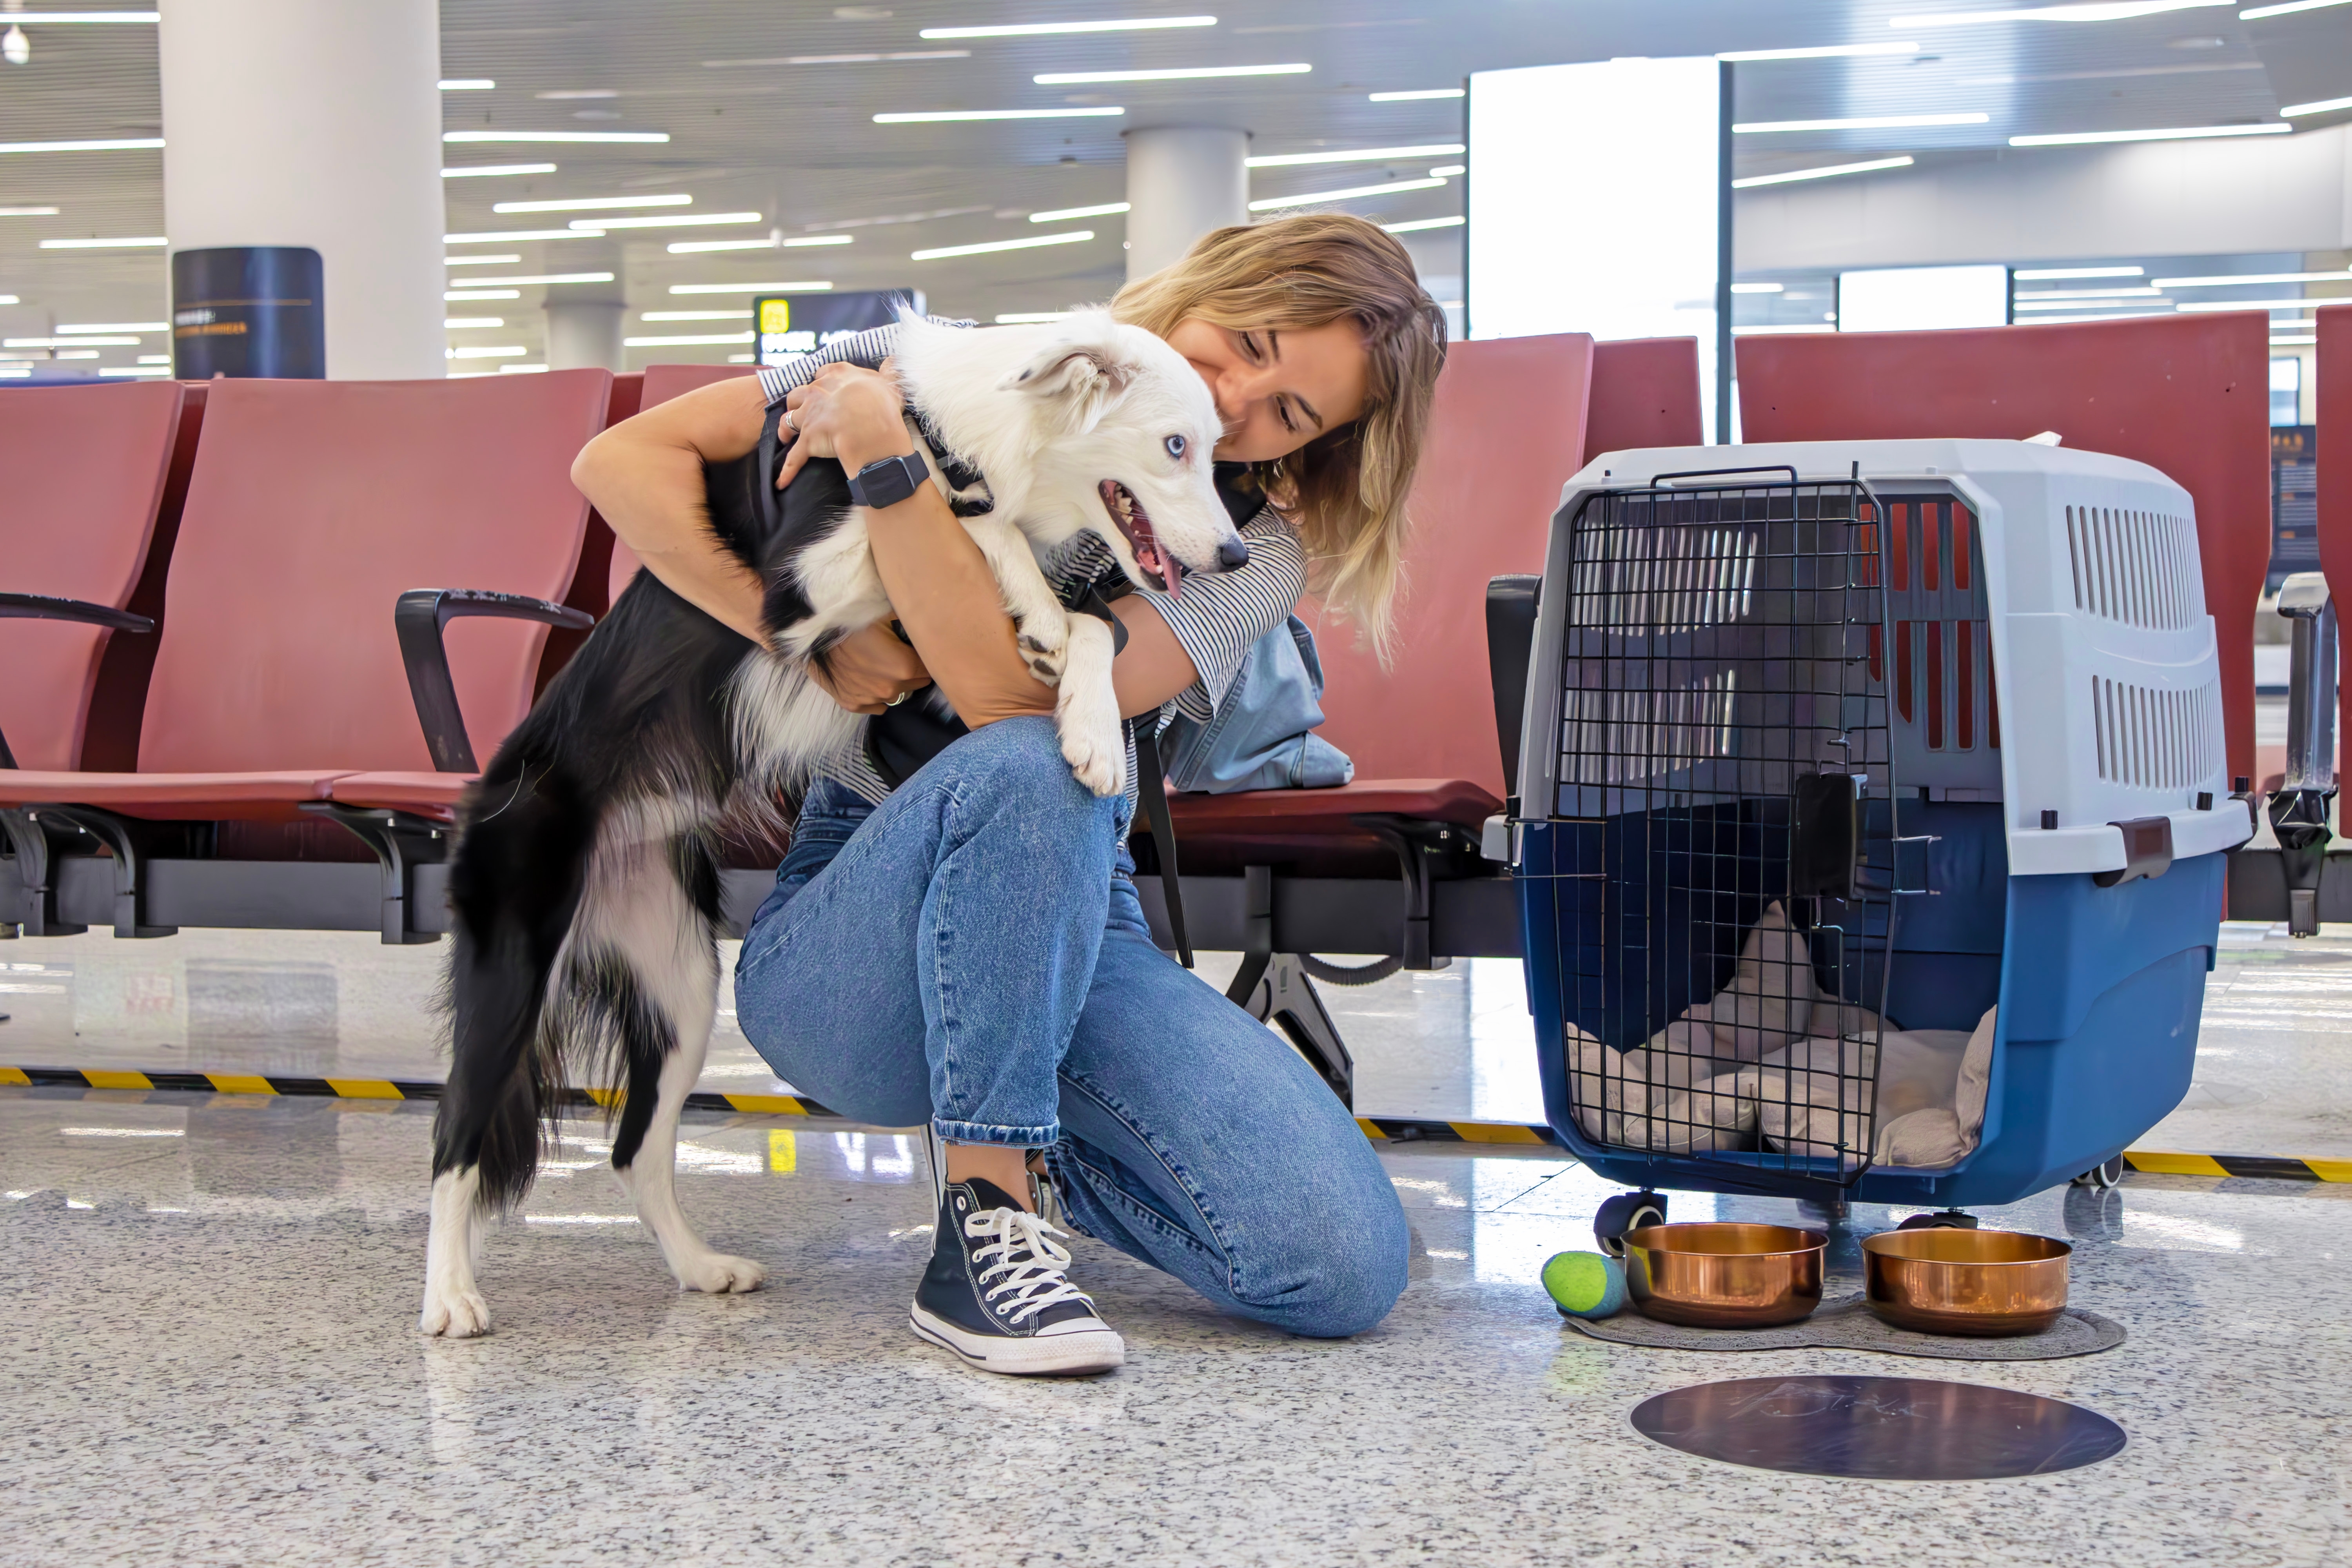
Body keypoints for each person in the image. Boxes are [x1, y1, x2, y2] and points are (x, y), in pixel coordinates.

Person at [572, 212, 1447, 1376]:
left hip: (1075, 913)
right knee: (1052, 760)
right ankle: (984, 1231)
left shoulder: (1255, 555)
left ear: (1317, 447)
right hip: (857, 914)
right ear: (1203, 289)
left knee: (1338, 1266)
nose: (1234, 402)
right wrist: (796, 640)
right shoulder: (943, 361)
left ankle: (1020, 1127)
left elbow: (1000, 701)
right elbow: (619, 461)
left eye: (1290, 413)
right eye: (1244, 341)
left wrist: (887, 463)